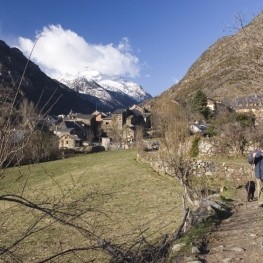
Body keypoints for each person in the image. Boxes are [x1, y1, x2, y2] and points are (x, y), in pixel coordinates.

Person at [248, 141, 263, 207]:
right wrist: (253, 157)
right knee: (260, 188)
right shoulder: (256, 153)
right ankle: (261, 202)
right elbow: (250, 161)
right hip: (259, 174)